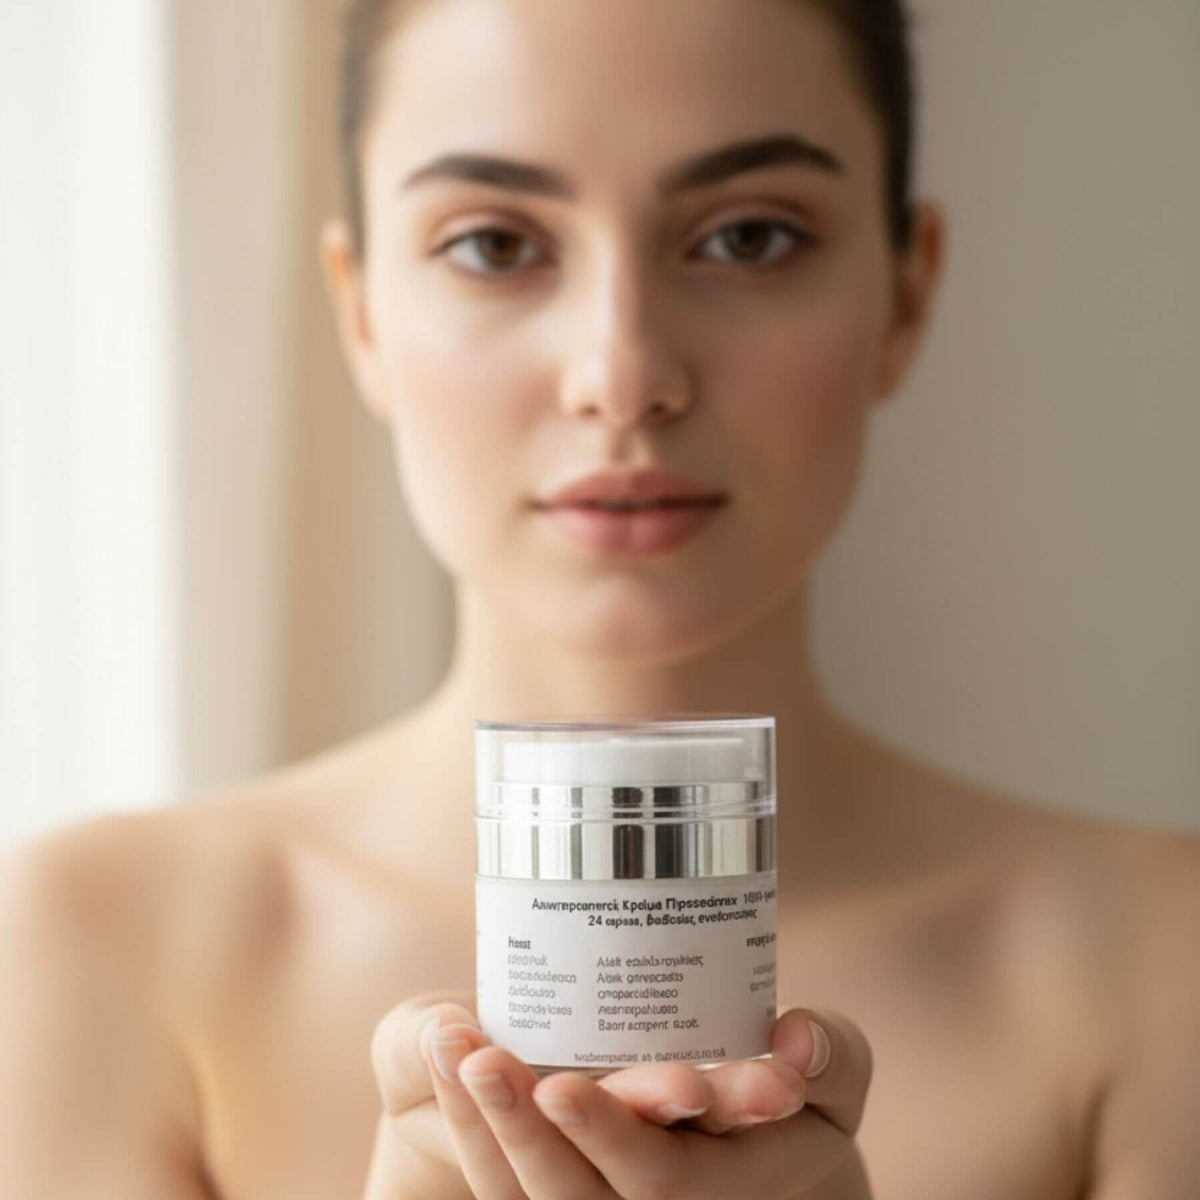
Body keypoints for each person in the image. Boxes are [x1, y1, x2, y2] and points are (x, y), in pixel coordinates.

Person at [2, 0, 1197, 1196]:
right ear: (359, 311)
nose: (622, 375)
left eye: (750, 238)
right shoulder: (86, 949)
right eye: (494, 245)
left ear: (906, 292)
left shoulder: (1162, 963)